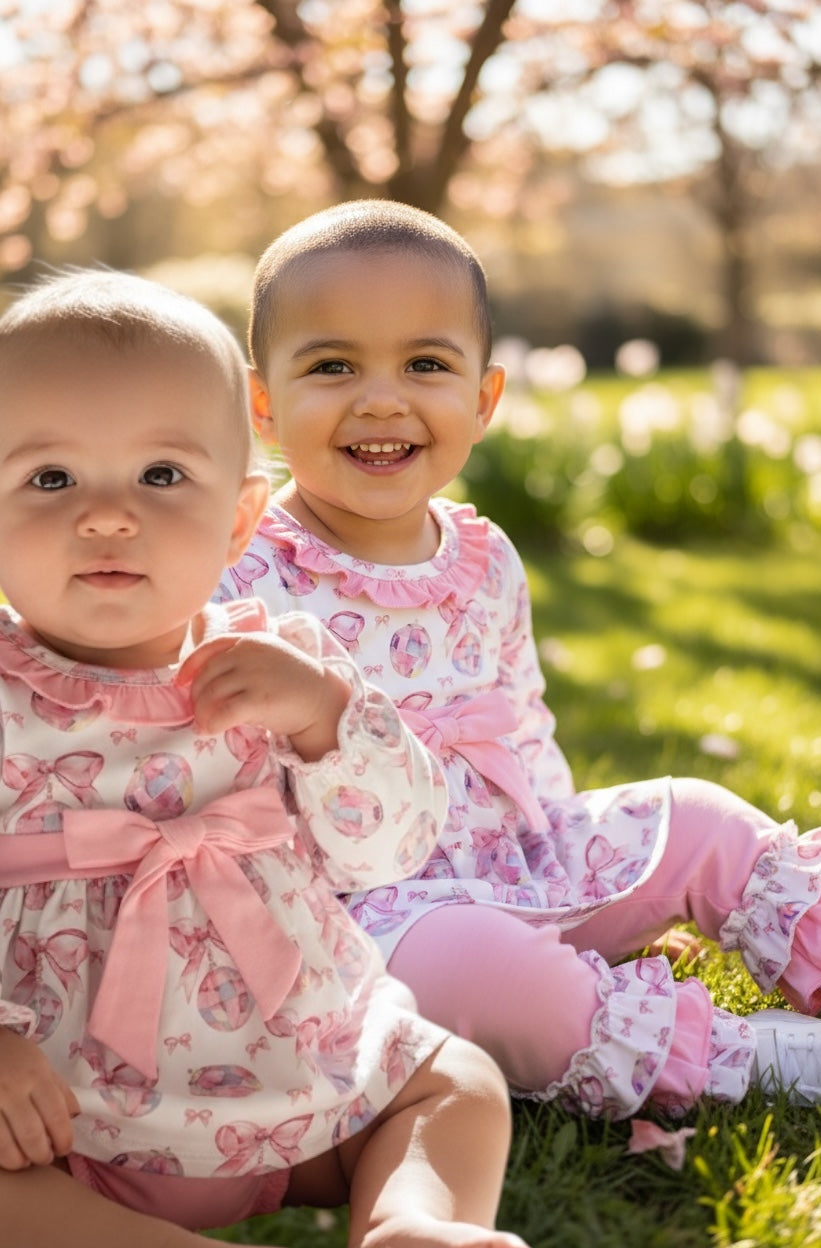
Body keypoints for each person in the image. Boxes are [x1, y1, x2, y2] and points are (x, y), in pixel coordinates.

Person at [217, 198, 821, 1121]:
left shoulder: (484, 556)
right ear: (264, 402)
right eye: (333, 365)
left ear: (483, 399)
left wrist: (576, 879)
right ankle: (746, 1060)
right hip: (358, 913)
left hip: (510, 855)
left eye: (426, 364)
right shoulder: (239, 567)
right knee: (483, 967)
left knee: (696, 818)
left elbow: (524, 718)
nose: (382, 398)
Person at [0, 268, 529, 1248]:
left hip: (295, 1077)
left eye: (162, 476)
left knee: (455, 1082)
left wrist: (332, 719)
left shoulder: (281, 667)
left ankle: (409, 1223)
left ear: (241, 519)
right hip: (66, 1113)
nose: (109, 515)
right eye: (50, 478)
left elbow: (390, 850)